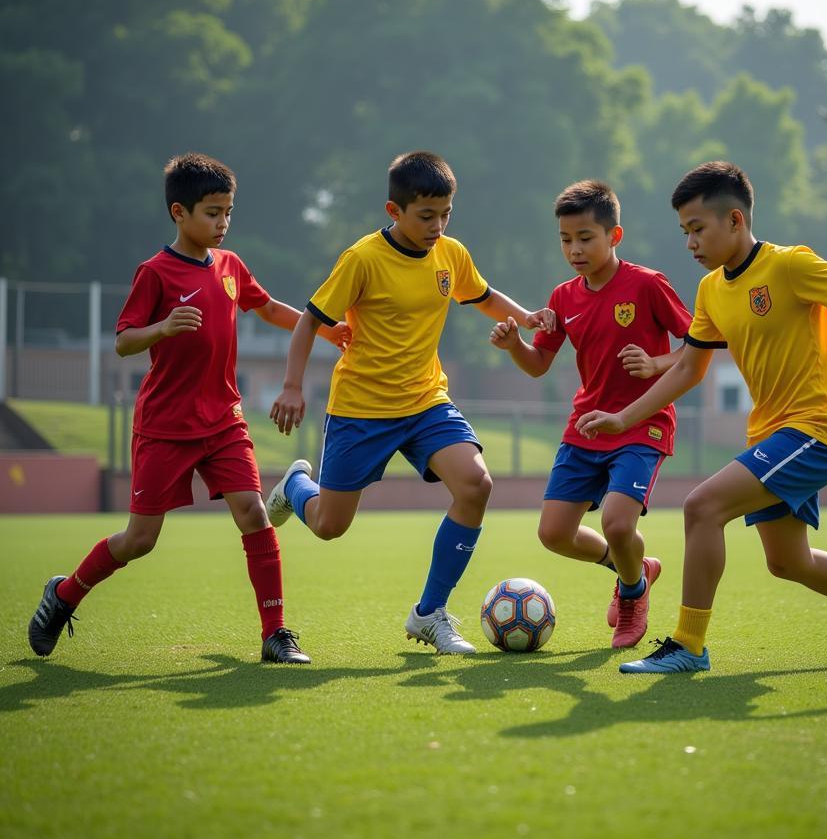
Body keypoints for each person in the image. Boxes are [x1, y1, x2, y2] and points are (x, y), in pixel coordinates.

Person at [577, 160, 827, 673]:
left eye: (698, 229)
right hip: (772, 433)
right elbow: (688, 370)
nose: (690, 243)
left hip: (818, 428)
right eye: (684, 232)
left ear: (736, 221)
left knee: (701, 507)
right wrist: (622, 418)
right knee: (787, 561)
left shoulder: (789, 266)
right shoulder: (711, 291)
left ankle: (688, 645)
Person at [27, 153, 349, 664]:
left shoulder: (230, 265)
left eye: (228, 212)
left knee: (254, 514)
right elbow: (124, 342)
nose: (222, 223)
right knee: (140, 539)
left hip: (224, 418)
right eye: (212, 212)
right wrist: (162, 327)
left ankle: (276, 633)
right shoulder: (154, 273)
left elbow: (265, 307)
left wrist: (327, 329)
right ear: (179, 212)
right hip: (165, 426)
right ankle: (64, 594)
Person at [266, 150, 554, 655]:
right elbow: (310, 320)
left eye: (446, 214)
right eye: (426, 216)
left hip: (425, 401)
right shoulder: (362, 259)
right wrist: (292, 386)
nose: (438, 226)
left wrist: (526, 316)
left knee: (475, 484)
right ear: (393, 211)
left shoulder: (451, 254)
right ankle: (296, 485)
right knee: (331, 527)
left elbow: (481, 295)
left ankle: (428, 614)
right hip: (361, 408)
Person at [489, 180, 692, 648]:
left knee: (618, 524)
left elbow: (699, 346)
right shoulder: (562, 297)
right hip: (585, 428)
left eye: (585, 238)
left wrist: (657, 363)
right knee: (554, 533)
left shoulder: (648, 284)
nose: (574, 249)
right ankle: (633, 568)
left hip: (643, 423)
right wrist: (515, 345)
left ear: (614, 237)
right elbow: (539, 365)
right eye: (565, 239)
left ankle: (631, 594)